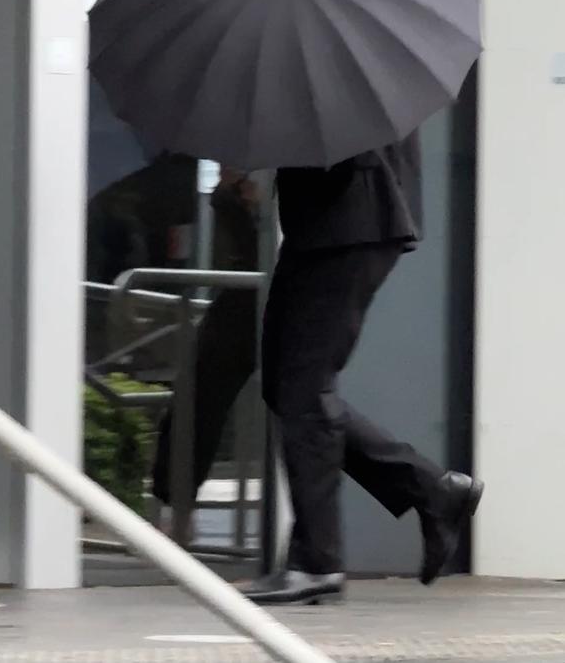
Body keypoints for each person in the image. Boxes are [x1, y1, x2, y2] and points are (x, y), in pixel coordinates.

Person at [242, 132, 484, 605]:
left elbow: (329, 136)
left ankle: (317, 562)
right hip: (324, 225)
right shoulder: (324, 63)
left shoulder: (334, 68)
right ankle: (433, 490)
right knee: (285, 384)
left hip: (350, 224)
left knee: (305, 390)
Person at [152, 169, 259, 519]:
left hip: (249, 310)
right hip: (246, 308)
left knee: (197, 405)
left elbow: (252, 243)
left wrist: (230, 193)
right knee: (196, 405)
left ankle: (175, 505)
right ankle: (175, 504)